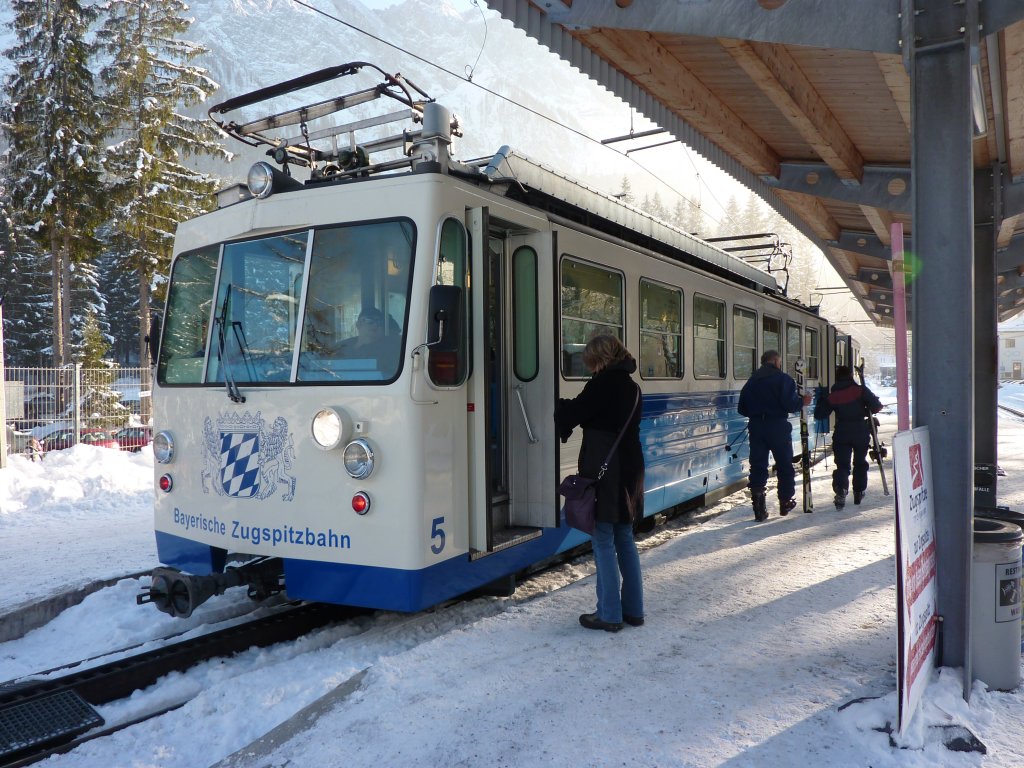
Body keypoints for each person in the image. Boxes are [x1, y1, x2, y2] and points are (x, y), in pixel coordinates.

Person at [555, 335, 645, 633]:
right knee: (624, 538)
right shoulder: (633, 387)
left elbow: (575, 412)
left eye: (590, 361)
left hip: (606, 469)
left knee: (603, 538)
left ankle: (608, 613)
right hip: (630, 467)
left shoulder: (601, 384)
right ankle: (634, 610)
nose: (589, 366)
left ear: (599, 358)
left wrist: (557, 405)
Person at [737, 349, 812, 521]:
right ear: (776, 361)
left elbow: (741, 408)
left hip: (756, 427)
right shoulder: (783, 379)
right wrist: (803, 402)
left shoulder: (752, 381)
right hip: (777, 426)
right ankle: (785, 502)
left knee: (758, 466)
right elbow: (790, 405)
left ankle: (759, 508)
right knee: (784, 464)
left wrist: (757, 414)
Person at [813, 365, 883, 508]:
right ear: (851, 376)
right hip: (860, 431)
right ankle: (858, 491)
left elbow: (819, 415)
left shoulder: (834, 395)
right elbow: (876, 407)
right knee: (860, 462)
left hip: (842, 431)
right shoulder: (860, 390)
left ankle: (841, 489)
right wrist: (868, 405)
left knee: (842, 465)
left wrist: (821, 400)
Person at [337, 307, 400, 374]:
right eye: (370, 321)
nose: (375, 325)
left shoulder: (388, 350)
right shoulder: (341, 346)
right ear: (358, 325)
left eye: (379, 322)